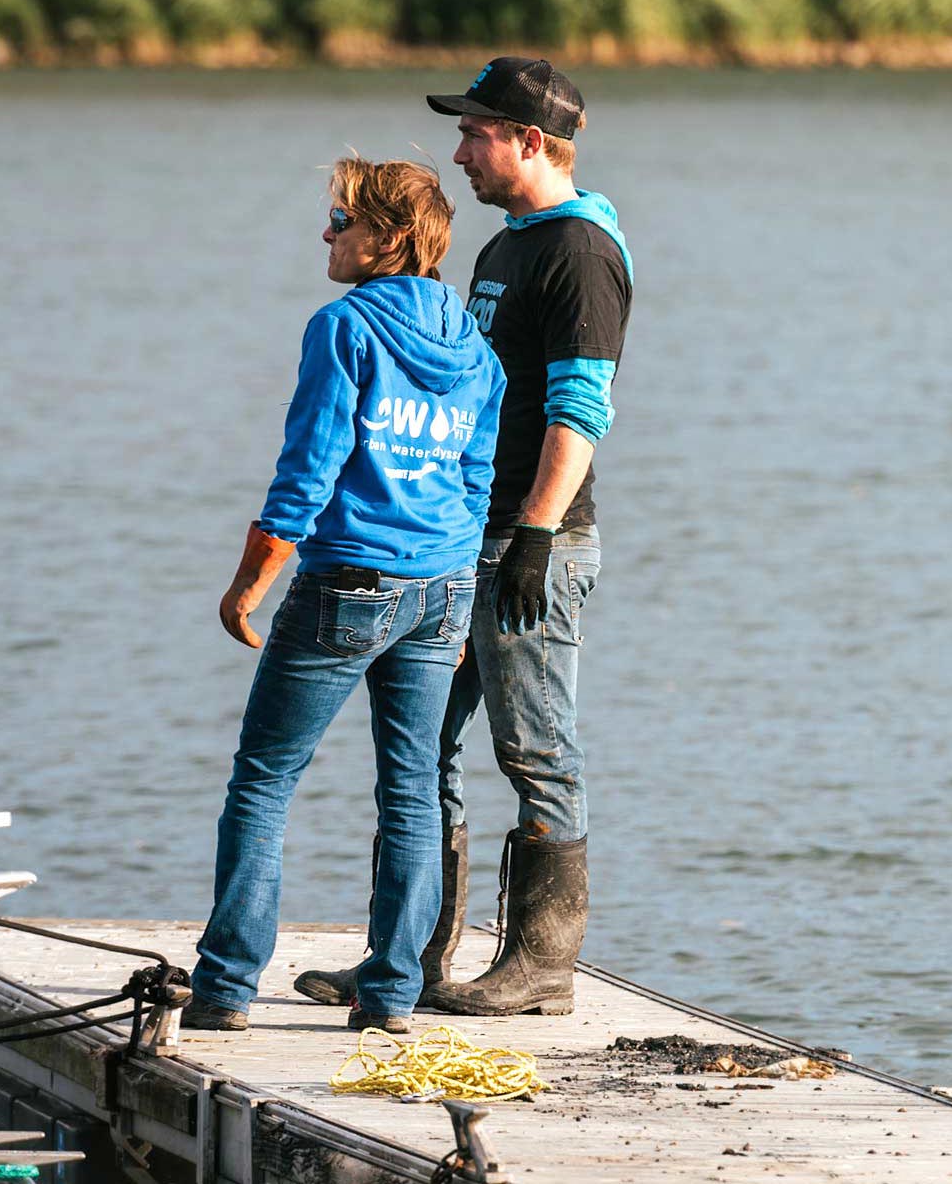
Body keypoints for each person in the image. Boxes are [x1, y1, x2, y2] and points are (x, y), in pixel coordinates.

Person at [295, 57, 633, 1018]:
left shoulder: (577, 252)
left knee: (536, 747)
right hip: (457, 540)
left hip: (538, 547)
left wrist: (533, 531)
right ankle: (406, 958)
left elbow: (581, 406)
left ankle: (541, 966)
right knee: (421, 748)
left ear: (530, 140)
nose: (459, 152)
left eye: (476, 133)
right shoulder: (507, 246)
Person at [183, 157, 506, 1034]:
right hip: (441, 588)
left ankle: (224, 989)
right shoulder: (477, 350)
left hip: (349, 583)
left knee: (264, 779)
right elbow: (475, 483)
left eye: (340, 221)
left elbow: (309, 470)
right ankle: (394, 996)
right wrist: (464, 594)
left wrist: (249, 585)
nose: (326, 234)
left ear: (391, 239)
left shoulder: (344, 327)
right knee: (411, 791)